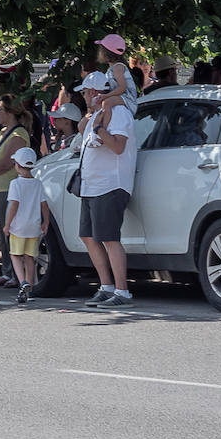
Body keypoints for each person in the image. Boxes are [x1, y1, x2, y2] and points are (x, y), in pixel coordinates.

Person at [75, 72, 136, 308]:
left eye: (84, 92)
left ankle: (123, 291)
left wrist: (99, 129)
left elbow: (119, 147)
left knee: (109, 238)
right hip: (92, 185)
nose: (83, 96)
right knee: (88, 236)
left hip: (110, 184)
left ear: (93, 92)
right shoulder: (99, 113)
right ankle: (106, 286)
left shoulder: (118, 113)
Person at [0, 95, 30, 287]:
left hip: (9, 189)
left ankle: (17, 274)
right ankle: (8, 271)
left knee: (11, 232)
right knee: (2, 233)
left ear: (10, 112)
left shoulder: (18, 135)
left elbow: (8, 162)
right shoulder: (2, 133)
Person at [4, 147, 48, 305]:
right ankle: (30, 286)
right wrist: (46, 222)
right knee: (30, 257)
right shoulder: (38, 183)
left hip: (18, 226)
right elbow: (44, 205)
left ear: (17, 165)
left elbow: (14, 205)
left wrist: (7, 224)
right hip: (34, 227)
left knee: (15, 255)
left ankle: (22, 282)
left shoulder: (15, 184)